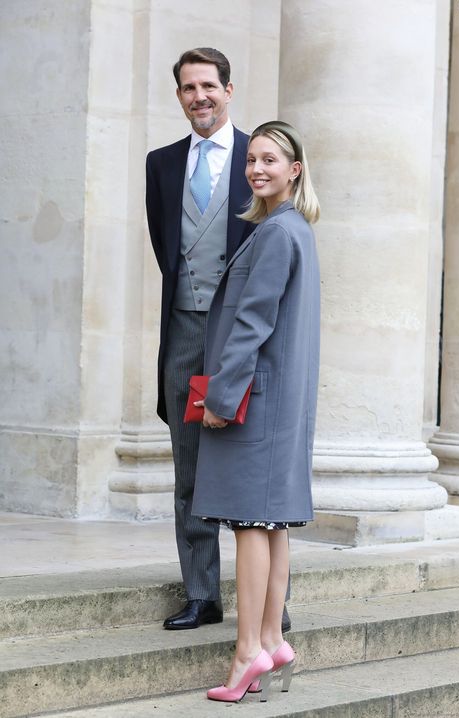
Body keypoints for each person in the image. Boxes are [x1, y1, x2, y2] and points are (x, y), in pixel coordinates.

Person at [145, 48, 291, 632]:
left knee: (253, 464)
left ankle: (272, 604)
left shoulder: (261, 156)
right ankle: (202, 594)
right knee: (190, 466)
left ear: (229, 90)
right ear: (179, 95)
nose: (199, 96)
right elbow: (167, 249)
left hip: (243, 336)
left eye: (209, 85)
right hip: (184, 328)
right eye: (188, 88)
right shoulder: (160, 163)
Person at [191, 120, 320, 702]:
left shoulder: (275, 233)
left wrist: (220, 396)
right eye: (251, 161)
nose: (257, 169)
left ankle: (248, 653)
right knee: (270, 523)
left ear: (294, 170)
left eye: (270, 160)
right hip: (278, 402)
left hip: (254, 401)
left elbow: (252, 322)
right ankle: (270, 638)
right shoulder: (293, 229)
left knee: (249, 523)